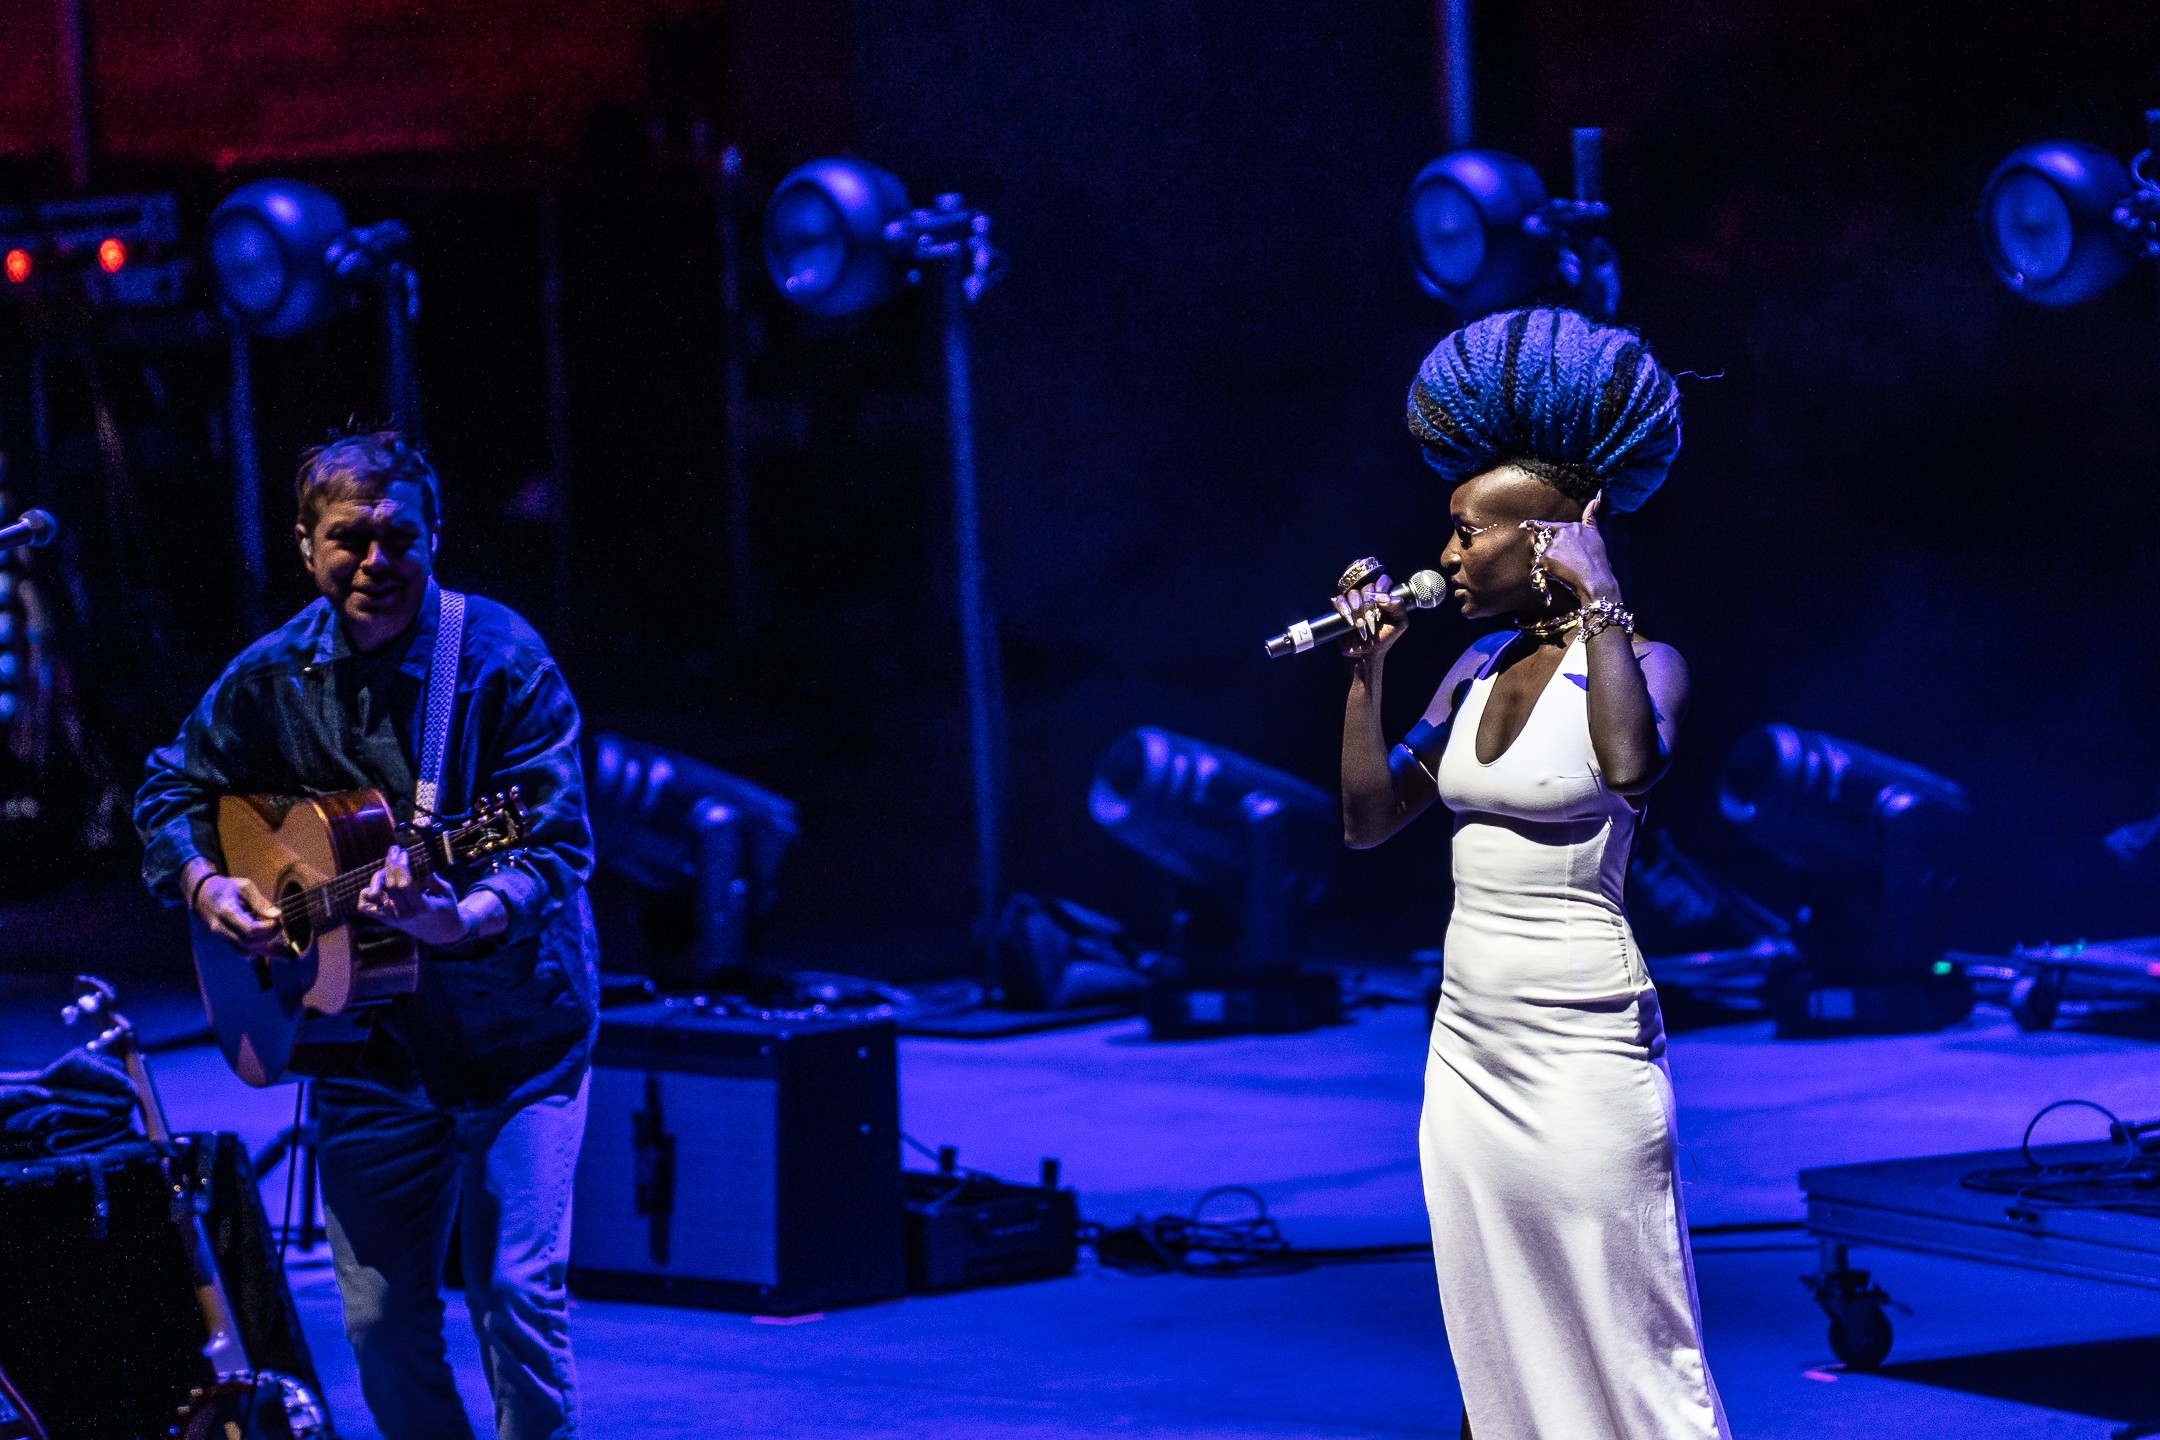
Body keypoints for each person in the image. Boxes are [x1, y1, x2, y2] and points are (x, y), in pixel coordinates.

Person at [134, 431, 598, 1440]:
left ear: (436, 539)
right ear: (306, 547)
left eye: (400, 538)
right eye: (351, 539)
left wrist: (458, 915)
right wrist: (209, 884)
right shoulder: (272, 675)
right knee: (382, 1321)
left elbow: (553, 846)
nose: (377, 562)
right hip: (364, 1049)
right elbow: (171, 784)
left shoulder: (502, 665)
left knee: (515, 1299)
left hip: (515, 1037)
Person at [1335, 308, 1728, 1440]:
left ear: (1550, 535)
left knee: (1632, 1344)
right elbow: (1368, 821)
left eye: (1470, 532)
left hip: (1583, 1040)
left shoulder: (1651, 665)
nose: (1448, 554)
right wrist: (1366, 673)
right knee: (1496, 1343)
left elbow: (1626, 765)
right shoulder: (1468, 665)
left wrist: (1598, 598)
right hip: (1469, 1046)